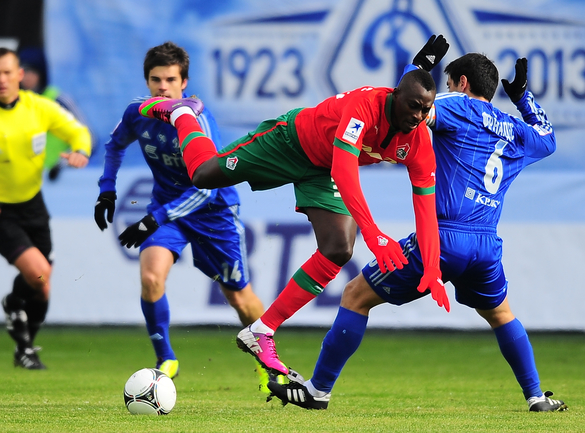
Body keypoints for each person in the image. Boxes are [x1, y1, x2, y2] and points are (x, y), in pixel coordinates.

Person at [266, 43, 568, 412]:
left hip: (442, 238)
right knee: (501, 314)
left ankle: (318, 391)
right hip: (486, 245)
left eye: (448, 83)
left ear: (461, 82)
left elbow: (406, 108)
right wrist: (522, 98)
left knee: (355, 296)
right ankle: (536, 396)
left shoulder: (458, 105)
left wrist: (416, 67)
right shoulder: (516, 130)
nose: (442, 92)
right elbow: (548, 140)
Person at [138, 44, 451, 380]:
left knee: (339, 249)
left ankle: (262, 331)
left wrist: (432, 268)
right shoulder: (365, 105)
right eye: (413, 106)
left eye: (425, 110)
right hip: (289, 141)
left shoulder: (418, 142)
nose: (418, 116)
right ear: (395, 95)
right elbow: (345, 171)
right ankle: (182, 114)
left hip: (322, 170)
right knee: (202, 175)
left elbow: (426, 210)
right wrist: (374, 235)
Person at [94, 42, 266, 384]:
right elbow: (114, 145)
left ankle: (268, 364)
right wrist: (107, 189)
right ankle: (166, 360)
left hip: (214, 212)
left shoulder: (197, 120)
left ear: (184, 82)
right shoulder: (137, 113)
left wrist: (153, 219)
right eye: (156, 80)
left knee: (239, 297)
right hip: (167, 208)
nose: (163, 87)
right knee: (151, 278)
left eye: (170, 80)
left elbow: (207, 188)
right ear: (147, 81)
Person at [0, 47, 92, 369]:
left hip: (33, 204)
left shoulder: (38, 107)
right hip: (3, 210)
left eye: (7, 72)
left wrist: (81, 150)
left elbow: (77, 130)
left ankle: (25, 347)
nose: (2, 79)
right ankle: (13, 304)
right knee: (38, 272)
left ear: (20, 75)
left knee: (42, 285)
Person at [18, 46, 95, 181]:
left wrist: (61, 165)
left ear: (42, 73)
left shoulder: (58, 100)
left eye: (33, 71)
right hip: (21, 181)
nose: (27, 77)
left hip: (56, 181)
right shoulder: (11, 104)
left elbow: (90, 139)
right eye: (23, 71)